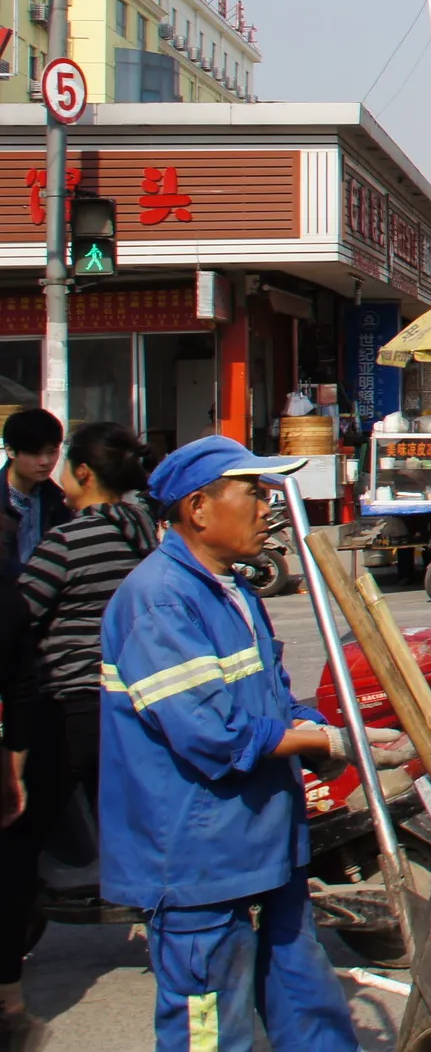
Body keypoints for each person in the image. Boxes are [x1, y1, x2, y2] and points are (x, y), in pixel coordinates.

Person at [100, 434, 409, 1052]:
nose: (268, 509)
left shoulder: (233, 589)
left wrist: (332, 736)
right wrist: (322, 739)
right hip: (198, 856)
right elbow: (211, 733)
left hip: (263, 840)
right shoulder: (158, 599)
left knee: (307, 1002)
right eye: (253, 494)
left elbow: (270, 701)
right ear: (199, 508)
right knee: (213, 1028)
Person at [0, 422, 157, 1034]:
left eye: (64, 461)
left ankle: (8, 994)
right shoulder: (141, 531)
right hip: (127, 706)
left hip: (65, 707)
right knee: (141, 834)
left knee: (17, 843)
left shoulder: (67, 541)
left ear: (84, 473)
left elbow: (17, 616)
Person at [0, 411, 67, 583]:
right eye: (35, 453)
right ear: (10, 451)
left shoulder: (58, 500)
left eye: (52, 452)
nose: (45, 461)